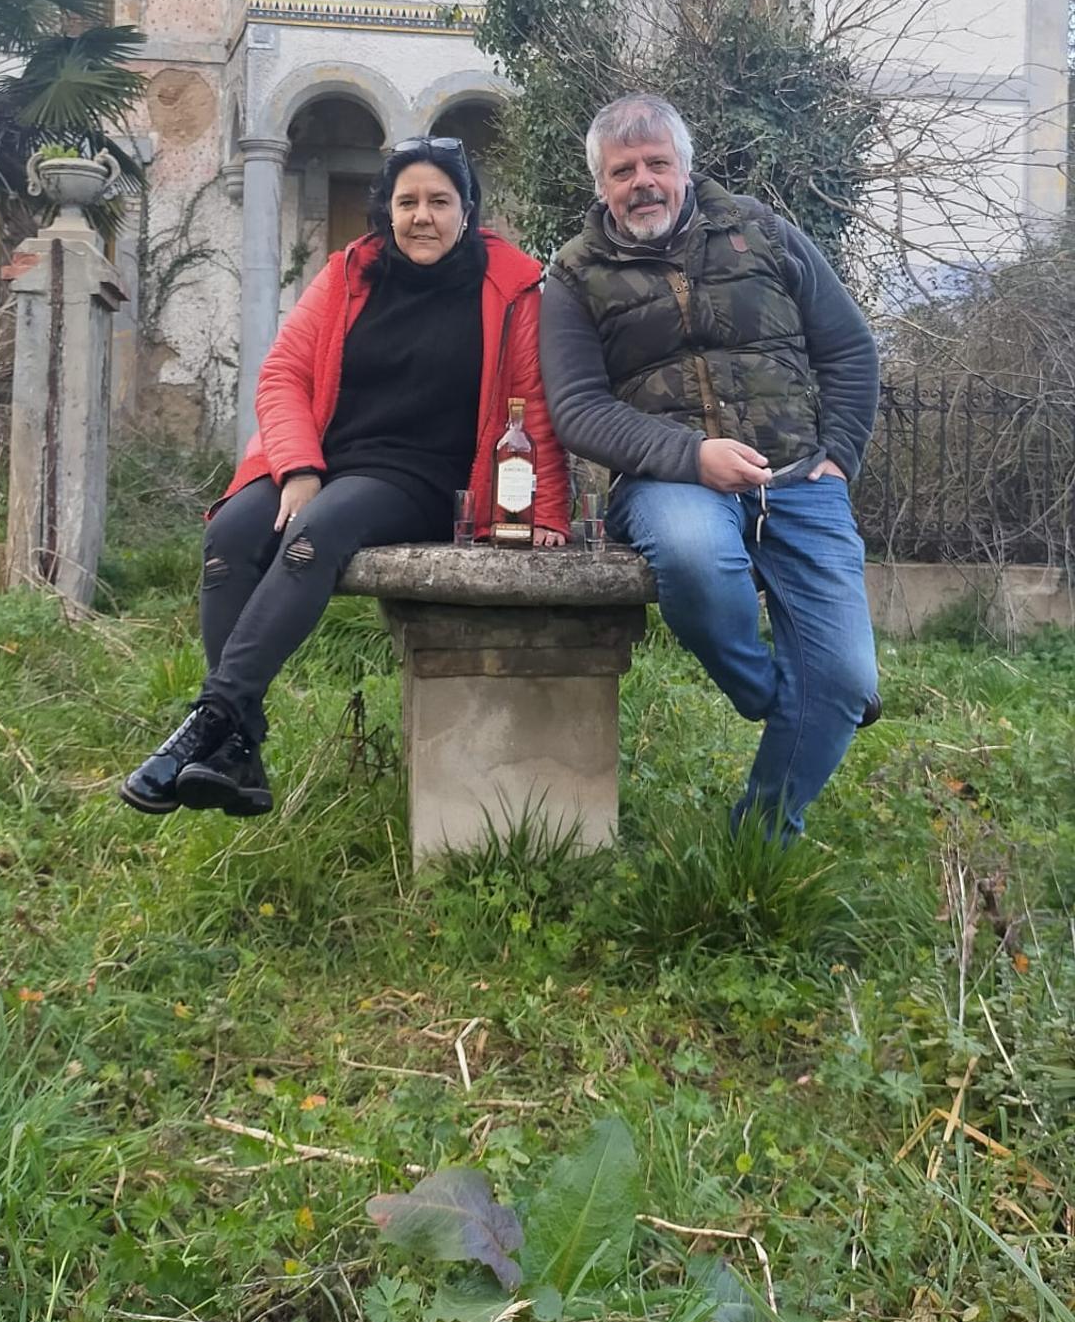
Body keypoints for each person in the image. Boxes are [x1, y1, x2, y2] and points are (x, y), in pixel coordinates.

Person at [122, 137, 569, 819]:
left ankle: (211, 723)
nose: (423, 216)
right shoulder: (349, 272)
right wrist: (299, 466)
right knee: (232, 533)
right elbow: (282, 376)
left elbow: (533, 404)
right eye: (407, 201)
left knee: (316, 533)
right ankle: (237, 748)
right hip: (323, 457)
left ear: (469, 208)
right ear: (385, 210)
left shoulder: (512, 283)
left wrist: (551, 512)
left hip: (419, 476)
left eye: (439, 201)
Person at [539, 94, 880, 841]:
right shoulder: (573, 274)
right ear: (602, 184)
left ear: (686, 170)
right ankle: (766, 688)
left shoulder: (763, 232)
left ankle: (758, 841)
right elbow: (578, 409)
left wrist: (842, 455)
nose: (643, 181)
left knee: (848, 681)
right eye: (623, 169)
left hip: (797, 479)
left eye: (657, 163)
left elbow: (850, 347)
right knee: (694, 556)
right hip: (667, 481)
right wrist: (691, 457)